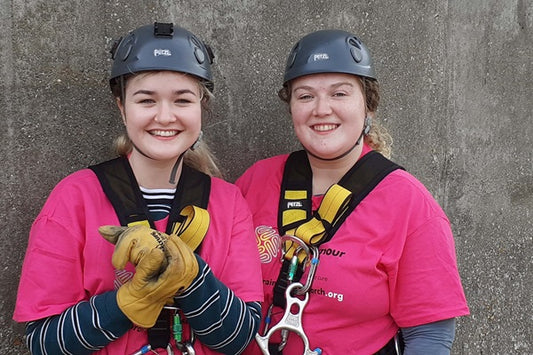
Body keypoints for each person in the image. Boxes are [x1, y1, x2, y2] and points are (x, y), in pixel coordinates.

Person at [14, 22, 263, 354]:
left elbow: (239, 338)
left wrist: (192, 277)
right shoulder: (75, 198)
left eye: (182, 100)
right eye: (146, 100)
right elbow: (44, 343)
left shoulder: (227, 202)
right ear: (121, 106)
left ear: (201, 106)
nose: (164, 116)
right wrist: (127, 302)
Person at [236, 29, 469, 355]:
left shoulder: (408, 204)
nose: (321, 109)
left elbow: (430, 337)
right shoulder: (254, 182)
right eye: (305, 96)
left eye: (340, 94)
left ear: (368, 107)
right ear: (291, 108)